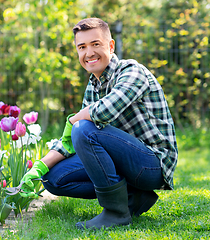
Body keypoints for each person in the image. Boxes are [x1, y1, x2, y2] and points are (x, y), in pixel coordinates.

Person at [19, 17, 178, 230]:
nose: (89, 53)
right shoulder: (93, 86)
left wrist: (75, 120)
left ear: (110, 46)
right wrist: (40, 166)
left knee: (83, 129)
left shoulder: (132, 71)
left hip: (151, 164)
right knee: (54, 178)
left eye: (96, 44)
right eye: (82, 47)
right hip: (123, 160)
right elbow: (71, 139)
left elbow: (105, 111)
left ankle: (116, 213)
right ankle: (134, 197)